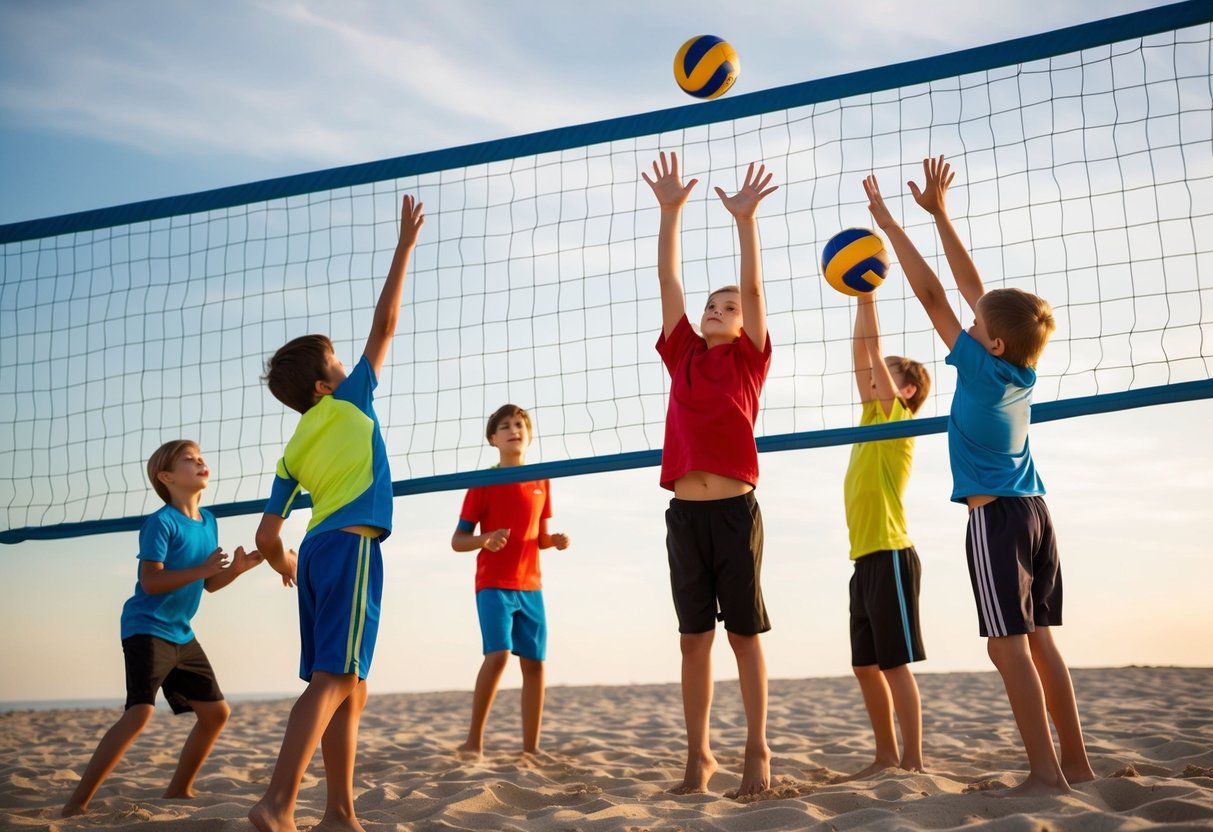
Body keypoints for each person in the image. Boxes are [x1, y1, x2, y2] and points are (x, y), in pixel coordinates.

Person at [864, 156, 1096, 795]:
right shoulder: (1018, 369)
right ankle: (1075, 765)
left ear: (989, 344)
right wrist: (941, 213)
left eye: (975, 328)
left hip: (996, 518)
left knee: (1007, 646)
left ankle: (1045, 773)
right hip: (1035, 514)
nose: (965, 327)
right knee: (1041, 643)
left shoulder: (980, 367)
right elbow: (974, 293)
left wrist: (888, 222)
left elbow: (935, 294)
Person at [249, 194, 425, 832]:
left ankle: (341, 814)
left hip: (319, 550)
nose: (351, 366)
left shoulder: (294, 445)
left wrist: (284, 562)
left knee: (352, 683)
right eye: (339, 363)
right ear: (326, 384)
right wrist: (404, 246)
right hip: (351, 548)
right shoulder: (350, 400)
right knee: (331, 680)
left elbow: (268, 532)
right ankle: (277, 803)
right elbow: (387, 323)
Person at [641, 150, 778, 798]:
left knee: (743, 637)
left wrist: (743, 222)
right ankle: (698, 758)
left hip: (733, 512)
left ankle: (756, 749)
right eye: (712, 303)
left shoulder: (748, 361)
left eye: (729, 304)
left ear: (745, 322)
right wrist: (671, 212)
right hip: (684, 516)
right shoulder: (682, 356)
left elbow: (753, 289)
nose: (720, 307)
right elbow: (667, 281)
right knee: (692, 641)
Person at [62, 440, 262, 816]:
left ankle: (179, 790)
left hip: (182, 633)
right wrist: (203, 569)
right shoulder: (161, 522)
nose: (200, 461)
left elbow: (207, 584)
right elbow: (151, 583)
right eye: (189, 459)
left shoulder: (210, 521)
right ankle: (77, 803)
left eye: (202, 456)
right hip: (146, 627)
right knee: (139, 713)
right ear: (166, 477)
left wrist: (236, 569)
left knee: (217, 714)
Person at [840, 289, 931, 780]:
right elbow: (863, 358)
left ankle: (913, 759)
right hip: (864, 559)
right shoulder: (870, 417)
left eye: (887, 374)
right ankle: (885, 756)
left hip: (892, 554)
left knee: (895, 665)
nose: (872, 377)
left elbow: (869, 354)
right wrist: (859, 302)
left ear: (906, 392)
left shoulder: (896, 422)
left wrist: (869, 297)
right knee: (864, 666)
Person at [450, 404, 571, 756]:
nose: (514, 430)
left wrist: (555, 541)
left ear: (528, 434)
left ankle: (531, 749)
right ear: (493, 439)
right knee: (499, 655)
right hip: (493, 584)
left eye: (520, 424)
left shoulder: (541, 479)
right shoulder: (483, 483)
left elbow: (540, 537)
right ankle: (474, 742)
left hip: (531, 586)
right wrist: (483, 539)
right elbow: (458, 540)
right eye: (505, 426)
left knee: (534, 664)